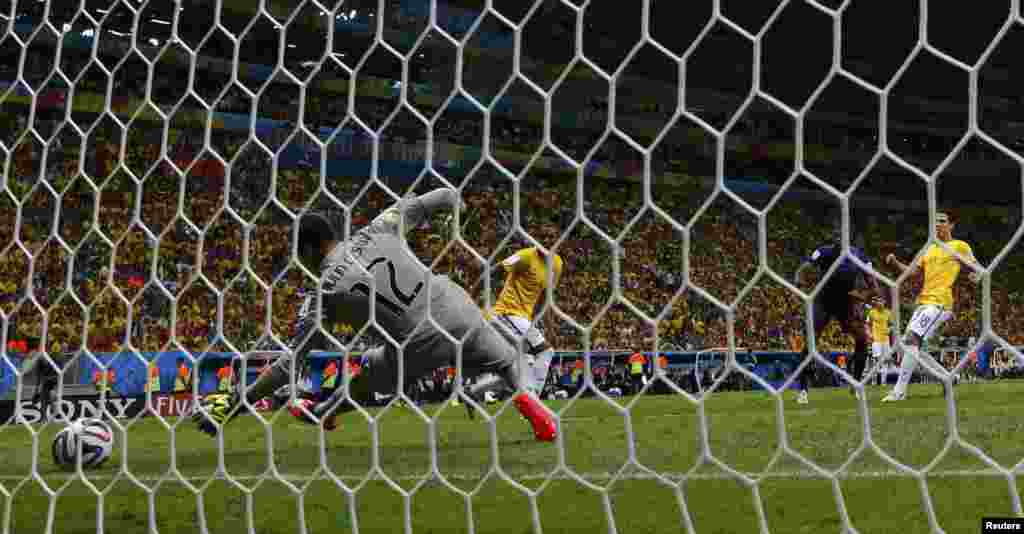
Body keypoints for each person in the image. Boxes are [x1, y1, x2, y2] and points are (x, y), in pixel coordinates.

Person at [192, 189, 556, 441]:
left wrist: (239, 402)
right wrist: (454, 221)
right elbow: (444, 196)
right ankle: (535, 410)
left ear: (306, 249)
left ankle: (324, 411)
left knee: (368, 376)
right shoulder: (379, 226)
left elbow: (291, 365)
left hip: (420, 336)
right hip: (458, 305)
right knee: (510, 360)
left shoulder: (324, 292)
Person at [882, 212, 981, 401]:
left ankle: (899, 392)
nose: (938, 225)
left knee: (911, 339)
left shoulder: (959, 246)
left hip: (940, 302)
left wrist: (975, 276)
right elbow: (911, 272)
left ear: (951, 225)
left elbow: (977, 268)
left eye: (942, 221)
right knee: (912, 347)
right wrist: (894, 263)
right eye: (935, 222)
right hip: (923, 303)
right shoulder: (928, 249)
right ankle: (948, 378)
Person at [465, 245, 564, 404]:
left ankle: (476, 390)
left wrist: (551, 328)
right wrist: (470, 298)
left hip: (522, 319)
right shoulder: (525, 256)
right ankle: (533, 403)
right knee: (545, 352)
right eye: (542, 237)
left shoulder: (557, 264)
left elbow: (546, 298)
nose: (546, 241)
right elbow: (493, 272)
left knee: (525, 368)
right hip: (506, 313)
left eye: (551, 237)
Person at [793, 231, 879, 403]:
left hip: (846, 303)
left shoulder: (858, 256)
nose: (841, 245)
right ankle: (803, 390)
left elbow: (873, 286)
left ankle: (856, 384)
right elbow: (805, 268)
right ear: (835, 244)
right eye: (838, 242)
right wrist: (799, 283)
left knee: (862, 338)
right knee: (811, 340)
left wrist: (863, 296)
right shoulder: (824, 251)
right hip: (823, 300)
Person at [865, 297, 894, 386]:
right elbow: (866, 324)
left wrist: (889, 329)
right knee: (876, 360)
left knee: (885, 360)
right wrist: (869, 334)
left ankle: (883, 382)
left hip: (885, 340)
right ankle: (874, 381)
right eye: (878, 301)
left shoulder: (888, 313)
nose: (879, 303)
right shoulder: (872, 312)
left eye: (881, 301)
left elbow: (892, 325)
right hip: (876, 340)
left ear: (884, 302)